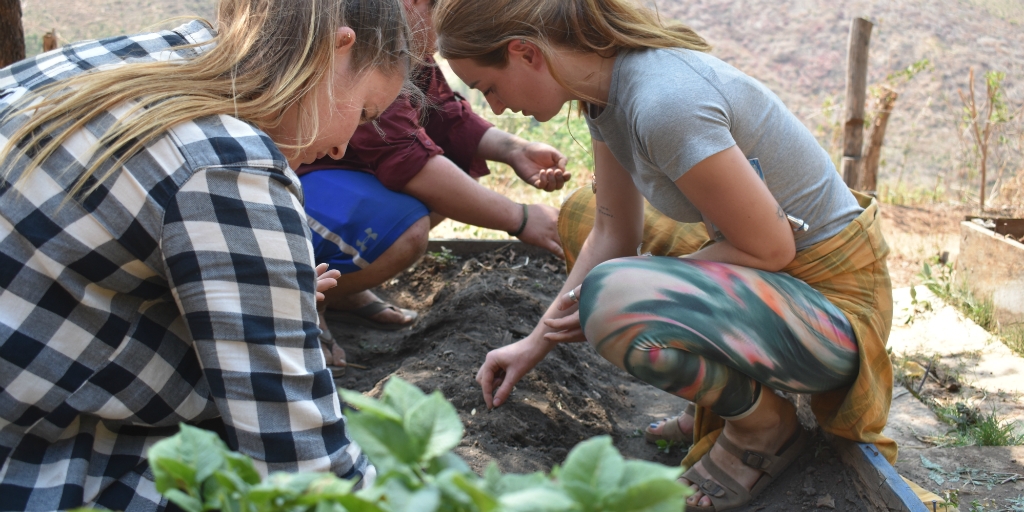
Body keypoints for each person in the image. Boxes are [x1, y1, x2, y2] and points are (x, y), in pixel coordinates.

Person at [433, 0, 895, 510]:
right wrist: (535, 341)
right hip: (780, 287)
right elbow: (612, 229)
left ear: (525, 53)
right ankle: (724, 394)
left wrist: (635, 287)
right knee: (585, 215)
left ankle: (764, 429)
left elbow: (771, 246)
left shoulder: (663, 103)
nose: (495, 110)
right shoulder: (604, 92)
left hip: (832, 314)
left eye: (488, 89)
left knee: (615, 298)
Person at [0, 0, 410, 509]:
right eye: (365, 111)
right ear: (335, 50)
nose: (342, 148)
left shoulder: (147, 56)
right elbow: (304, 466)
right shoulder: (230, 170)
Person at [297, 0, 570, 353]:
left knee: (452, 179)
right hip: (298, 179)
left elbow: (444, 114)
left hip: (336, 174)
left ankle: (342, 290)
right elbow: (403, 155)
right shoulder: (362, 39)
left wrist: (513, 150)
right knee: (408, 227)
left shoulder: (405, 38)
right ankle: (303, 301)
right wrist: (521, 218)